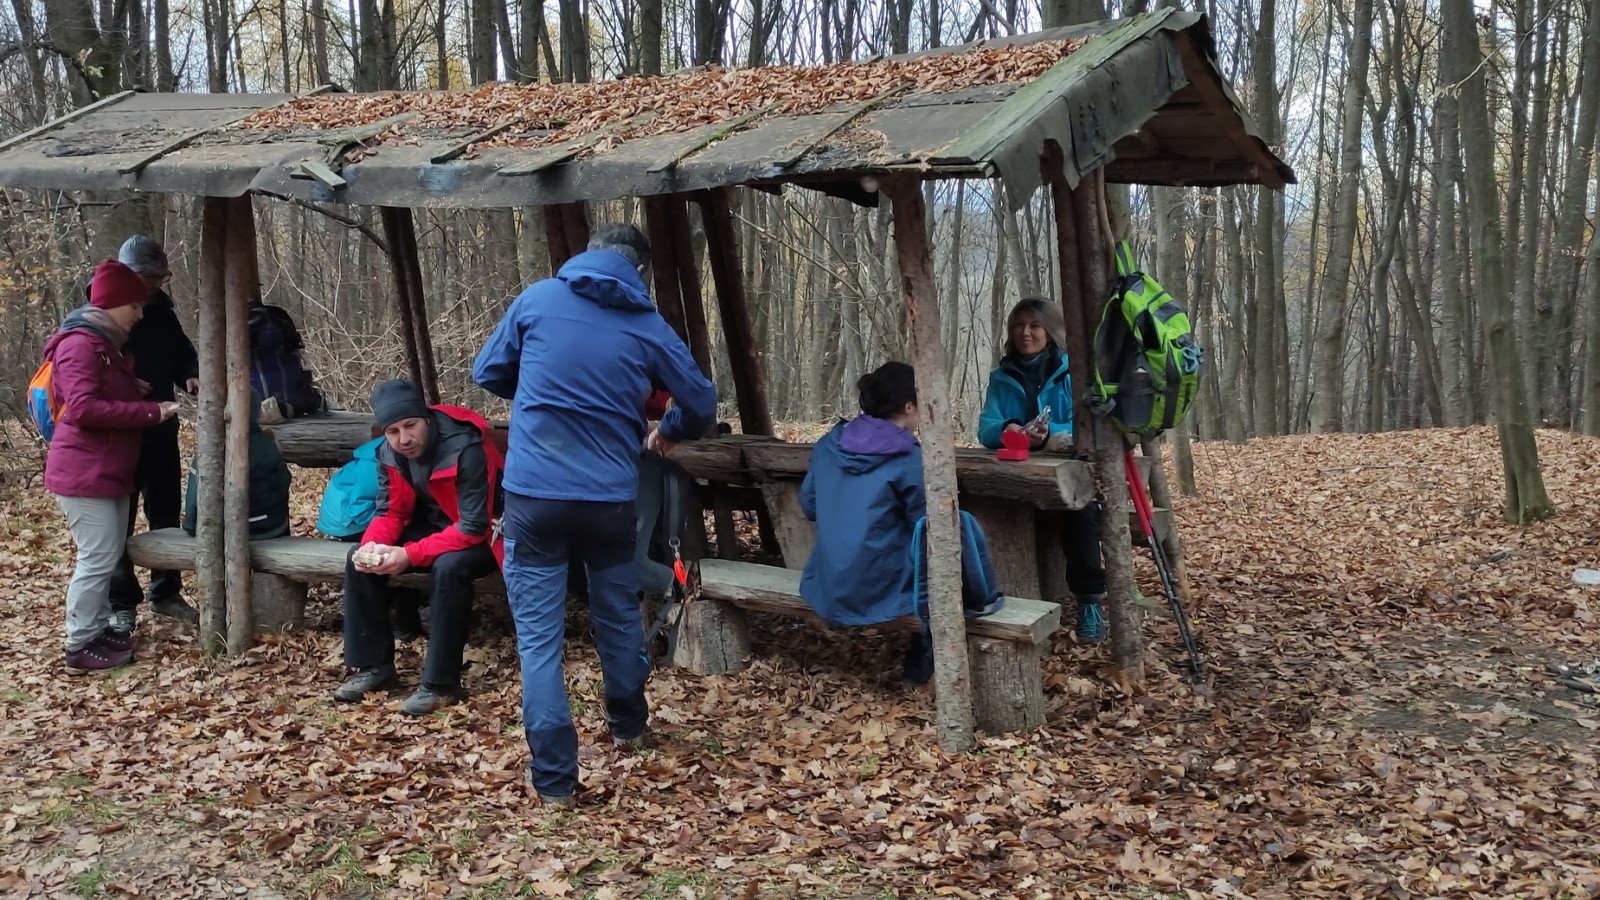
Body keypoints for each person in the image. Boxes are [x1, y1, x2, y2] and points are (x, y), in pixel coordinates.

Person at [473, 222, 717, 809]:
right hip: (609, 498)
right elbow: (702, 404)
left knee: (539, 642)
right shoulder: (648, 325)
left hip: (533, 497)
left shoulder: (536, 299)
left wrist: (543, 393)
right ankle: (629, 725)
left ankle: (555, 783)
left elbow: (488, 372)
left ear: (586, 257)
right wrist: (671, 430)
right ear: (640, 272)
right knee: (614, 614)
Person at [332, 379, 503, 716]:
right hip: (438, 526)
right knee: (359, 559)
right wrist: (374, 548)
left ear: (426, 418)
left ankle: (442, 685)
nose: (404, 439)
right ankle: (373, 668)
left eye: (410, 425)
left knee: (450, 568)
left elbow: (473, 526)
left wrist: (408, 554)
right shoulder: (388, 453)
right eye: (393, 431)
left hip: (490, 532)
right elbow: (391, 511)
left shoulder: (466, 447)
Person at [45, 259, 181, 673]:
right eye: (134, 306)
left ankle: (98, 628)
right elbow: (83, 408)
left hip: (107, 470)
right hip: (85, 472)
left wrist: (127, 387)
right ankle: (79, 644)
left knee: (104, 556)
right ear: (113, 303)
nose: (140, 314)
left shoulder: (103, 344)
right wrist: (149, 412)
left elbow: (98, 391)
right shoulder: (80, 344)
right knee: (97, 558)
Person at [977, 297, 1108, 642]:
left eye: (1034, 325)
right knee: (987, 507)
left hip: (1071, 472)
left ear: (1050, 332)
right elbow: (986, 428)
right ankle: (994, 603)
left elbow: (1092, 423)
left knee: (1079, 510)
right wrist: (1012, 429)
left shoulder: (1073, 370)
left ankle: (1090, 603)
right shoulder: (1003, 376)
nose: (1026, 333)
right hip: (1020, 475)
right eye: (1019, 326)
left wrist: (1055, 432)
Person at [106, 235, 200, 632]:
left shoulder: (161, 310)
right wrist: (124, 387)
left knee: (164, 512)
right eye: (148, 277)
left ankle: (166, 593)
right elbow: (82, 379)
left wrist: (190, 375)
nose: (155, 285)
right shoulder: (98, 314)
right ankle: (121, 601)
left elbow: (181, 352)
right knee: (117, 523)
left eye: (160, 277)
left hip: (161, 430)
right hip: (118, 437)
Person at [182, 392, 290, 540]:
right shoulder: (268, 446)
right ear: (256, 413)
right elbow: (284, 483)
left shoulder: (207, 450)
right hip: (268, 528)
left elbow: (194, 496)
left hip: (215, 531)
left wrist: (191, 525)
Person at [248, 298, 323, 422]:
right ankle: (291, 405)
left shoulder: (246, 325)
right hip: (289, 392)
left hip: (256, 399)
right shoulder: (279, 318)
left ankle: (282, 406)